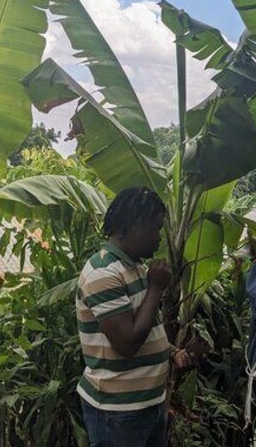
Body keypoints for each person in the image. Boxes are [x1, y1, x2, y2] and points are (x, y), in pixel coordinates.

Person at [76, 187, 195, 447]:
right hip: (118, 412)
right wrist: (156, 288)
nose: (159, 237)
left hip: (147, 404)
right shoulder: (103, 273)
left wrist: (172, 351)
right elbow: (127, 343)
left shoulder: (135, 266)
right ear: (130, 226)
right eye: (155, 228)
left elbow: (146, 322)